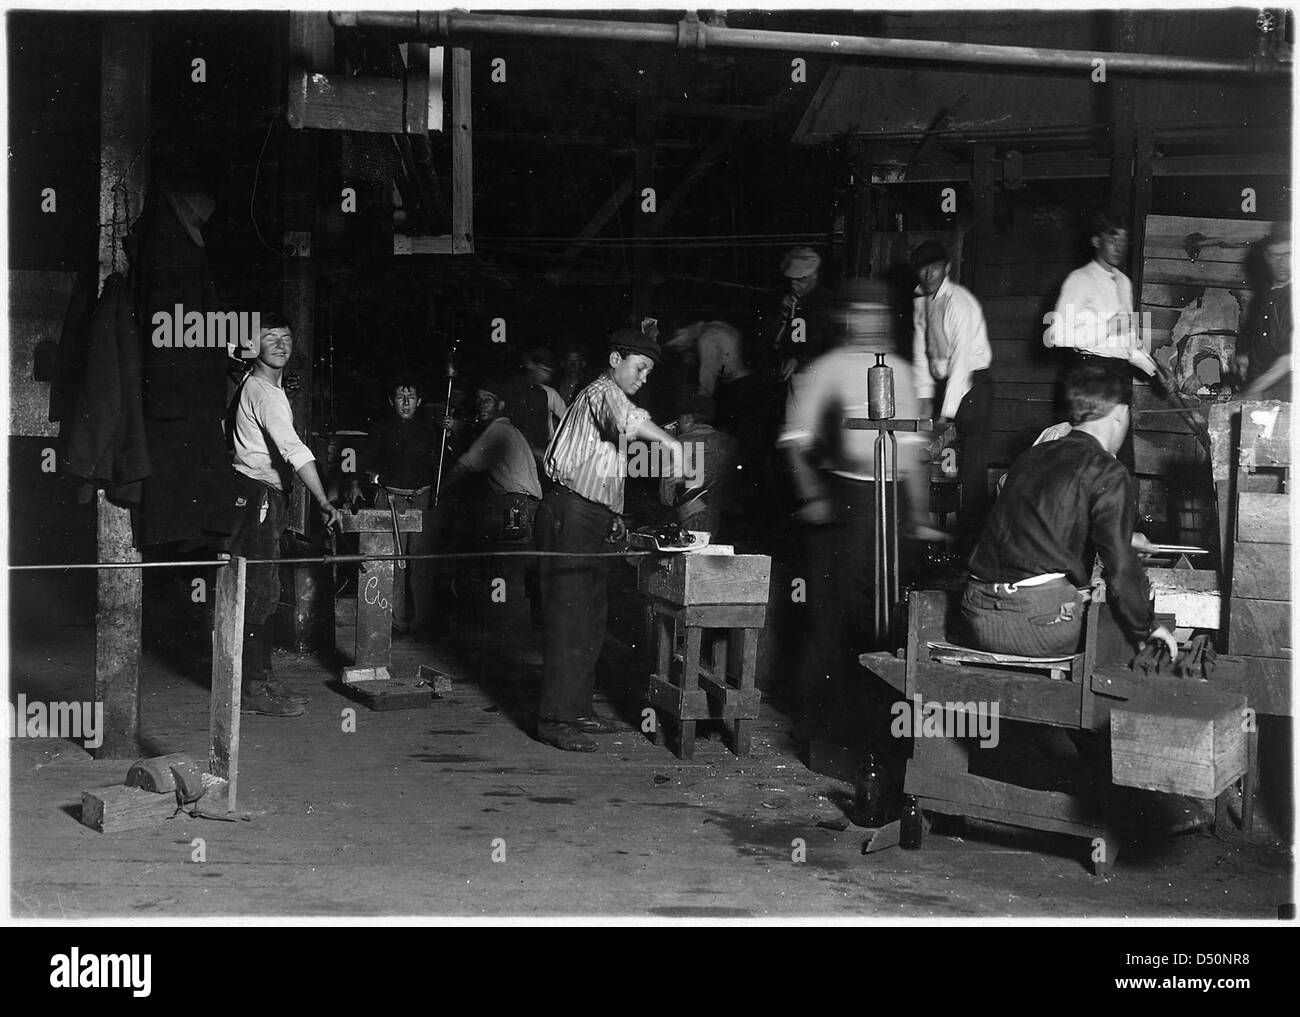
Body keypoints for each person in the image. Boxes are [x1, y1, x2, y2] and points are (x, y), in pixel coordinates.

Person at [778, 278, 936, 743]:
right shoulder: (825, 368)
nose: (872, 322)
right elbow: (794, 442)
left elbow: (914, 450)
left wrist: (921, 517)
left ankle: (877, 734)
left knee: (887, 619)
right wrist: (811, 495)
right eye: (862, 313)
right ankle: (821, 732)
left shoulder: (902, 372)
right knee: (833, 618)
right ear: (846, 318)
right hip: (844, 505)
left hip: (895, 506)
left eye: (879, 313)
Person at [960, 362, 1178, 663]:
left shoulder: (1032, 455)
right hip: (1039, 626)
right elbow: (1121, 567)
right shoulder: (1107, 469)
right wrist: (1147, 626)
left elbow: (1046, 522)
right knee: (1120, 631)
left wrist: (1123, 537)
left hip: (977, 617)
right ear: (1120, 414)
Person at [535, 327, 685, 752]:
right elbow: (629, 420)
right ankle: (553, 718)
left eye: (649, 372)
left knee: (591, 615)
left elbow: (602, 463)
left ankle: (576, 708)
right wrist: (672, 445)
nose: (643, 378)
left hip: (591, 515)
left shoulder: (609, 399)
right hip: (570, 512)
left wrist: (613, 513)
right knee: (569, 615)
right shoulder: (603, 392)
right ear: (617, 359)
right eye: (640, 367)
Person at [227, 312, 341, 716]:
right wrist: (325, 502)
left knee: (266, 588)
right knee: (259, 591)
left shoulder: (261, 385)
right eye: (269, 337)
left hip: (261, 494)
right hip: (258, 495)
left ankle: (262, 677)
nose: (280, 344)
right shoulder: (265, 392)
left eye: (286, 337)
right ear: (252, 346)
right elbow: (294, 451)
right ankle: (253, 689)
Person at [1045, 209, 1157, 471]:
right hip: (1088, 374)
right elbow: (1058, 335)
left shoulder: (1124, 283)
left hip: (1118, 374)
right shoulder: (1080, 280)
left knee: (1119, 453)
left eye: (1124, 240)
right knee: (1088, 450)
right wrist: (1107, 327)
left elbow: (1127, 340)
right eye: (1112, 239)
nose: (1120, 247)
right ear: (1096, 241)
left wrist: (1154, 371)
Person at [910, 240, 994, 550]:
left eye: (934, 266)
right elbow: (922, 357)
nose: (928, 272)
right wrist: (923, 404)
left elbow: (961, 367)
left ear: (947, 267)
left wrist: (944, 417)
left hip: (973, 385)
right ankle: (936, 538)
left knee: (969, 466)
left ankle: (969, 545)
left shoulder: (961, 303)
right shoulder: (920, 302)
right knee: (936, 464)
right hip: (944, 385)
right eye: (922, 267)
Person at [350, 374, 440, 640]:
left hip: (422, 499)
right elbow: (362, 459)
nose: (405, 402)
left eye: (411, 397)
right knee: (395, 562)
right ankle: (396, 621)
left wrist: (451, 431)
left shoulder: (431, 429)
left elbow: (446, 459)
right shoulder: (381, 429)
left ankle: (422, 622)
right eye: (400, 397)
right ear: (392, 401)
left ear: (419, 401)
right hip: (392, 500)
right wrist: (355, 483)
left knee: (421, 562)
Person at [658, 393, 739, 539]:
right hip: (723, 522)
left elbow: (667, 498)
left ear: (688, 419)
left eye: (680, 419)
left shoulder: (678, 444)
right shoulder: (729, 442)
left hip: (689, 524)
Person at [1237, 226, 1292, 400]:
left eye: (1288, 254)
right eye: (1276, 256)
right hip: (1264, 390)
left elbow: (1290, 358)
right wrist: (1245, 357)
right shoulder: (1267, 295)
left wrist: (1255, 389)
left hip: (1284, 396)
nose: (1282, 263)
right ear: (1267, 258)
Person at [772, 247, 838, 382]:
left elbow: (827, 343)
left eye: (800, 279)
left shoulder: (826, 302)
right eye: (791, 279)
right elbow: (796, 337)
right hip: (793, 371)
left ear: (814, 275)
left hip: (816, 375)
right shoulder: (793, 300)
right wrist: (784, 315)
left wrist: (799, 359)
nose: (794, 283)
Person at [506, 346, 566, 469]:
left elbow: (567, 420)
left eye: (550, 373)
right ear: (530, 365)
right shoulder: (512, 390)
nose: (547, 377)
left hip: (538, 457)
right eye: (544, 370)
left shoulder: (547, 393)